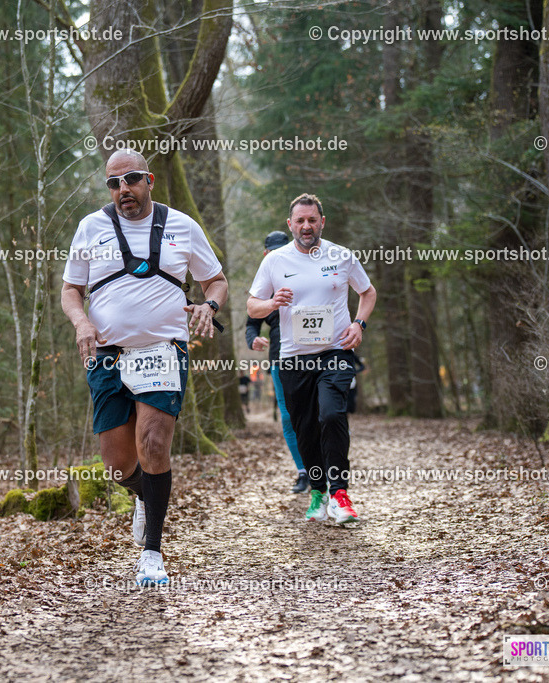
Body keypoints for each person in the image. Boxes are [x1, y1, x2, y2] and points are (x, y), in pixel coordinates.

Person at [61, 149, 227, 585]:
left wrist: (209, 305)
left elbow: (217, 280)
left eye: (131, 180)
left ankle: (152, 553)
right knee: (118, 465)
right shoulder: (90, 228)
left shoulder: (182, 226)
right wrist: (81, 322)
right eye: (113, 183)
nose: (122, 190)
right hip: (106, 354)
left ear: (149, 179)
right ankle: (142, 495)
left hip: (163, 349)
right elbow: (71, 290)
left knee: (153, 444)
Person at [246, 193, 376, 525]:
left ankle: (340, 493)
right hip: (293, 358)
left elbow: (367, 292)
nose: (307, 226)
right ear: (290, 225)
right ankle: (318, 491)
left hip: (335, 352)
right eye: (300, 221)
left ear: (322, 221)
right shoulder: (275, 261)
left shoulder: (341, 256)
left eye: (312, 220)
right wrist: (272, 302)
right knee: (304, 428)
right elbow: (251, 307)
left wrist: (359, 324)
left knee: (332, 414)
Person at [245, 230, 308, 493]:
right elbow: (251, 323)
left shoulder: (307, 275)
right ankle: (304, 471)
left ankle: (327, 466)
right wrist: (253, 340)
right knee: (288, 416)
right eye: (273, 252)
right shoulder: (264, 285)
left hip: (313, 354)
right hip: (280, 359)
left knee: (319, 412)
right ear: (265, 255)